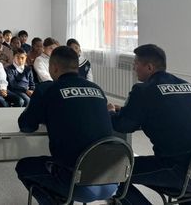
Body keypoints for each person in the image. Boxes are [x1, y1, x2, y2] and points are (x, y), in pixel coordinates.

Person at [109, 44, 191, 205]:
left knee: (113, 173)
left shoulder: (143, 90)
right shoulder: (185, 85)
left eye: (136, 64)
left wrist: (110, 112)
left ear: (149, 67)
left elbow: (123, 126)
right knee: (186, 178)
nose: (134, 68)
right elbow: (168, 113)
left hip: (178, 171)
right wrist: (128, 110)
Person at [16, 46, 116, 205]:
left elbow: (26, 126)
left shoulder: (47, 89)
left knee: (24, 167)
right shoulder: (97, 89)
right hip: (111, 180)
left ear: (54, 67)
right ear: (76, 66)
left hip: (77, 181)